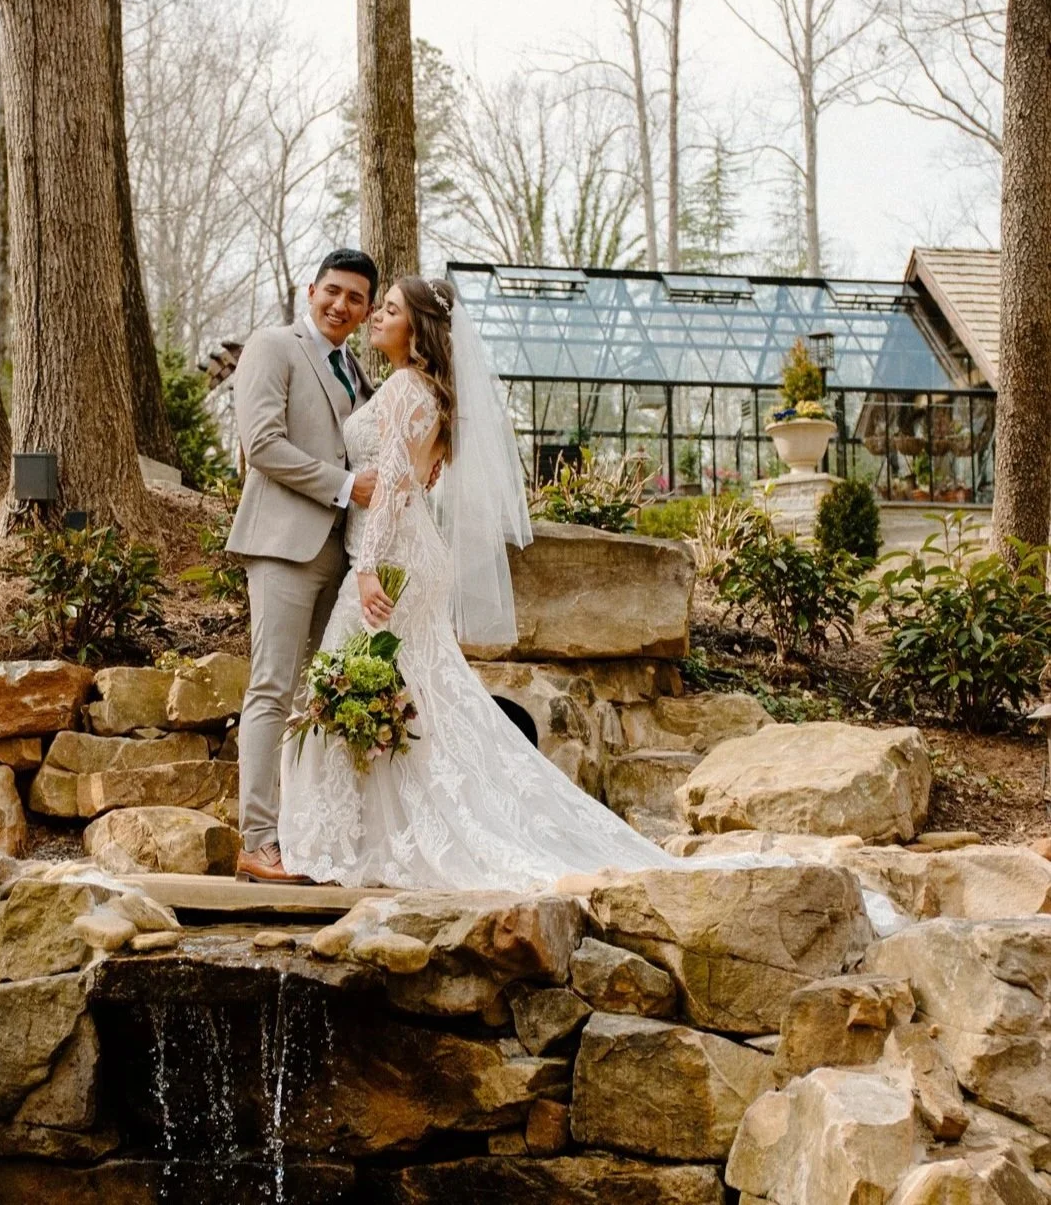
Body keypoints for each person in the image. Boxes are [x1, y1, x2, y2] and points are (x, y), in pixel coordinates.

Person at [277, 277, 904, 935]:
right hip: (416, 556)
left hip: (394, 558)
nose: (376, 316)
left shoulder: (407, 389)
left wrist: (370, 566)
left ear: (420, 328)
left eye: (390, 309)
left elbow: (399, 486)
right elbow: (423, 473)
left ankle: (347, 839)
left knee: (356, 683)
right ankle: (385, 828)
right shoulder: (434, 394)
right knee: (419, 696)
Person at [227, 249, 379, 883]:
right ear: (311, 289)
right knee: (270, 689)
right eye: (333, 292)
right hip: (285, 546)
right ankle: (257, 841)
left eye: (356, 299)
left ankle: (303, 835)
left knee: (312, 699)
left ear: (368, 311)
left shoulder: (357, 370)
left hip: (342, 557)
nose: (341, 306)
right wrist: (345, 486)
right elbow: (261, 444)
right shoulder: (273, 346)